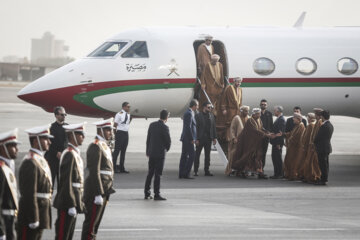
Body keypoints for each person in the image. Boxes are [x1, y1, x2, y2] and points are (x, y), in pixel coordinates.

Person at [81, 118, 116, 240]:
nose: (110, 133)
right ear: (100, 130)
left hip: (104, 190)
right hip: (96, 191)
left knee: (95, 226)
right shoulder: (95, 146)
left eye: (111, 130)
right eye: (108, 130)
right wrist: (98, 193)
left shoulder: (103, 145)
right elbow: (94, 171)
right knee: (90, 225)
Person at [17, 125, 53, 240]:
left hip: (40, 212)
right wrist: (33, 217)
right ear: (36, 141)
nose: (49, 142)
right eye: (46, 139)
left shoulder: (39, 159)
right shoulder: (30, 162)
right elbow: (29, 194)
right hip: (31, 215)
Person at [53, 123, 86, 240]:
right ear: (72, 135)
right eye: (81, 134)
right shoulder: (69, 154)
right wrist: (71, 204)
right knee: (63, 235)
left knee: (68, 235)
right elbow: (66, 181)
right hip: (67, 202)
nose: (83, 137)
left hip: (73, 200)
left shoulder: (74, 153)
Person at [232, 108, 271, 179]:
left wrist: (268, 132)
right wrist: (265, 135)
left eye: (259, 113)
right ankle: (241, 171)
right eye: (258, 114)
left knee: (258, 157)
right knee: (247, 157)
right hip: (249, 143)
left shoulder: (258, 120)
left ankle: (260, 172)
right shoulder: (250, 121)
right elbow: (255, 131)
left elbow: (261, 128)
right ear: (254, 114)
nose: (259, 115)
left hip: (256, 143)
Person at [144, 110, 171, 201]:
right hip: (160, 154)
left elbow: (148, 139)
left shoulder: (152, 125)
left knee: (150, 173)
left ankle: (146, 193)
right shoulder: (165, 127)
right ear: (166, 117)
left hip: (151, 153)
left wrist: (148, 151)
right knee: (158, 174)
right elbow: (168, 141)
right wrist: (166, 149)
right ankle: (157, 194)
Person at [0, 129, 20, 240]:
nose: (17, 149)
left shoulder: (7, 166)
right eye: (12, 146)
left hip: (11, 220)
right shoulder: (1, 170)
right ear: (3, 148)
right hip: (4, 221)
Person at [45, 106, 68, 190]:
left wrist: (63, 153)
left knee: (62, 185)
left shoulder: (68, 127)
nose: (64, 116)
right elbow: (48, 144)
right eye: (62, 114)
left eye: (65, 114)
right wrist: (56, 153)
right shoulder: (51, 128)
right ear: (56, 115)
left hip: (63, 159)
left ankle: (59, 202)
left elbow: (68, 143)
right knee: (50, 183)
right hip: (52, 159)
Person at [225, 105, 249, 176]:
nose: (247, 112)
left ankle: (240, 171)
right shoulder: (236, 118)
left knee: (242, 157)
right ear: (242, 111)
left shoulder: (247, 118)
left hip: (244, 141)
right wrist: (234, 138)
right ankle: (229, 170)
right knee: (232, 156)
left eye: (247, 111)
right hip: (236, 141)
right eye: (245, 111)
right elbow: (232, 129)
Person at [194, 102, 217, 177]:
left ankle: (206, 170)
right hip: (200, 139)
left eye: (210, 107)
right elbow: (196, 128)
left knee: (207, 156)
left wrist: (214, 138)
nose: (210, 109)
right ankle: (196, 170)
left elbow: (213, 127)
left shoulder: (211, 115)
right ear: (204, 107)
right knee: (197, 155)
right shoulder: (198, 116)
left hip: (208, 139)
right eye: (208, 107)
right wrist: (196, 139)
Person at [301, 109, 323, 183]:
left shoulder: (318, 123)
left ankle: (315, 177)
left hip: (314, 146)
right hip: (311, 146)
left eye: (316, 114)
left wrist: (313, 145)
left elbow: (317, 136)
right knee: (310, 163)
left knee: (314, 163)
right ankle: (310, 176)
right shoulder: (316, 123)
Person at [282, 113, 306, 180]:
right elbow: (291, 133)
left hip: (296, 149)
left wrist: (289, 141)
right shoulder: (297, 126)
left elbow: (296, 137)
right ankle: (289, 174)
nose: (293, 120)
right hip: (292, 148)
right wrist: (283, 134)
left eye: (294, 119)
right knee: (289, 161)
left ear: (298, 119)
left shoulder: (301, 126)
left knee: (294, 162)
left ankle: (293, 175)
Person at [179, 99, 198, 179]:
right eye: (197, 105)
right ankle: (186, 173)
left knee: (184, 156)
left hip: (186, 138)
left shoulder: (190, 113)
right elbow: (188, 127)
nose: (198, 107)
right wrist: (192, 139)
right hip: (188, 139)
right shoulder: (189, 113)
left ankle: (182, 173)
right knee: (192, 155)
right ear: (194, 106)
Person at [314, 110, 334, 185]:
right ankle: (324, 178)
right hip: (327, 147)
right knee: (326, 164)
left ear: (322, 117)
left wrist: (314, 141)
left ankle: (323, 179)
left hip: (322, 148)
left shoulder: (324, 126)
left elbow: (318, 137)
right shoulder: (330, 125)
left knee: (323, 165)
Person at [113, 102, 131, 173]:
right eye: (128, 107)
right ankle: (114, 167)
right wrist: (115, 135)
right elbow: (115, 125)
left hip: (126, 133)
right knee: (117, 151)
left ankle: (122, 168)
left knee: (123, 151)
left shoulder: (128, 114)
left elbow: (127, 123)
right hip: (120, 133)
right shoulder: (119, 114)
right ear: (124, 107)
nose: (129, 108)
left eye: (129, 107)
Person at [270, 106, 286, 179]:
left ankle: (279, 174)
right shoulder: (279, 118)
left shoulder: (281, 119)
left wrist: (278, 143)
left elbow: (281, 133)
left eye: (275, 111)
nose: (274, 112)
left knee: (277, 159)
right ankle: (277, 173)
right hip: (275, 142)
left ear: (279, 111)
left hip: (277, 143)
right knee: (275, 158)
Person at [260, 99, 273, 171]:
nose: (263, 105)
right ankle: (256, 168)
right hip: (258, 137)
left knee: (263, 153)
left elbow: (271, 125)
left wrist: (269, 134)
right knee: (257, 153)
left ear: (267, 105)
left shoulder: (269, 114)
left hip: (266, 137)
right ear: (260, 105)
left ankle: (262, 168)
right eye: (262, 104)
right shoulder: (257, 113)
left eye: (264, 104)